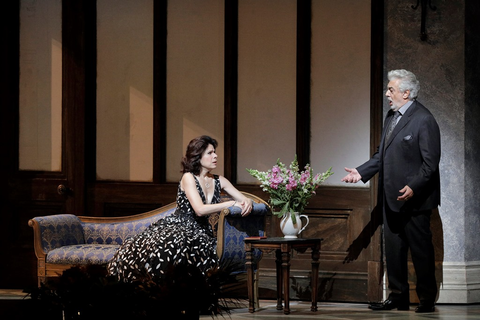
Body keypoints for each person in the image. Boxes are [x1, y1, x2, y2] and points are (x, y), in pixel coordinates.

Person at [341, 69, 440, 313]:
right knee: (394, 252)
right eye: (388, 89)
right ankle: (398, 297)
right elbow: (381, 155)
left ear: (406, 93)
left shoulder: (423, 119)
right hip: (391, 198)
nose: (387, 94)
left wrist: (413, 187)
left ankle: (426, 299)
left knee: (421, 252)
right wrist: (361, 172)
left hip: (415, 201)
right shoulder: (391, 116)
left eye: (391, 90)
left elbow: (430, 163)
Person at [107, 135, 253, 282]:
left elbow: (244, 199)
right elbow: (200, 210)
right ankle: (156, 290)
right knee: (169, 245)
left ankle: (189, 294)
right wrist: (229, 204)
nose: (215, 156)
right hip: (179, 225)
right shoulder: (188, 177)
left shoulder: (219, 180)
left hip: (201, 230)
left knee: (197, 244)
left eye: (214, 152)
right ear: (198, 156)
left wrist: (246, 201)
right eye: (210, 153)